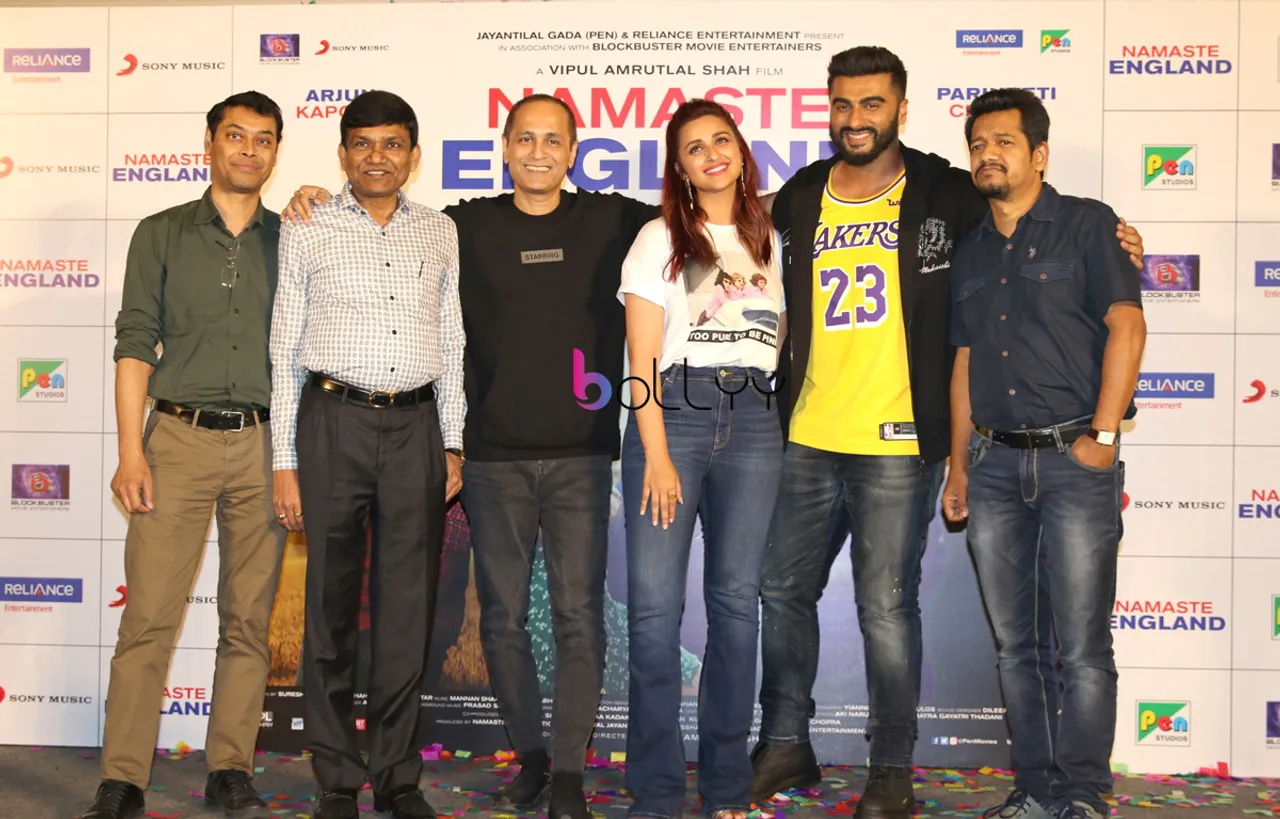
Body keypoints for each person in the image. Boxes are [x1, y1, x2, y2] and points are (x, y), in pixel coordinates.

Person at [752, 46, 1146, 818]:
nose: (856, 118)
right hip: (808, 435)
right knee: (781, 589)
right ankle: (786, 741)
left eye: (873, 103)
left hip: (901, 444)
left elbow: (1032, 215)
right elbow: (729, 231)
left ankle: (892, 767)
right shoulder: (800, 193)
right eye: (843, 104)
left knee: (887, 608)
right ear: (827, 110)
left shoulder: (948, 190)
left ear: (901, 108)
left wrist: (1120, 240)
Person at [278, 93, 654, 819]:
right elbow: (302, 334)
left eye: (553, 139)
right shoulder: (457, 225)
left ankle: (524, 774)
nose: (538, 151)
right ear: (504, 147)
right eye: (524, 138)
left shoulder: (606, 219)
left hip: (555, 451)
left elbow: (697, 207)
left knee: (543, 614)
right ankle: (375, 774)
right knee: (468, 618)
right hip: (454, 451)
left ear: (573, 151)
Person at [82, 91, 287, 819]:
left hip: (265, 444)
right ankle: (123, 776)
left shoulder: (291, 237)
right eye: (236, 136)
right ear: (209, 142)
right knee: (148, 619)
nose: (248, 150)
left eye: (263, 140)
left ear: (275, 152)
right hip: (174, 439)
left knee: (247, 620)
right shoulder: (160, 232)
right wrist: (130, 452)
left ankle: (230, 765)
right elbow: (135, 342)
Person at [941, 88, 1145, 819]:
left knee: (1083, 647)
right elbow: (963, 361)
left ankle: (1083, 795)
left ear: (1039, 153)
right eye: (978, 143)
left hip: (1074, 464)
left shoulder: (1090, 226)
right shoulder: (969, 248)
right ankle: (1032, 789)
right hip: (992, 469)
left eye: (1004, 141)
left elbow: (1127, 328)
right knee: (1014, 647)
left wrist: (1105, 436)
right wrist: (960, 466)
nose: (988, 154)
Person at [269, 90, 464, 819]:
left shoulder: (440, 232)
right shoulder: (308, 224)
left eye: (391, 144)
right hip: (331, 421)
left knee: (406, 606)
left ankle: (397, 772)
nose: (376, 156)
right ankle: (336, 775)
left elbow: (454, 342)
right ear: (343, 153)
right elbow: (284, 346)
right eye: (362, 143)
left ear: (413, 156)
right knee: (328, 603)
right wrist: (284, 457)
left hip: (416, 424)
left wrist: (453, 439)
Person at [618, 98, 786, 819]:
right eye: (694, 147)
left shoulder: (776, 234)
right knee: (655, 612)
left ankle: (724, 784)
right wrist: (655, 451)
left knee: (737, 609)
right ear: (679, 168)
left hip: (755, 419)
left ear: (741, 151)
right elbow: (639, 359)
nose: (712, 153)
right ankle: (655, 790)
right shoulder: (658, 236)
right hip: (674, 417)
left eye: (722, 140)